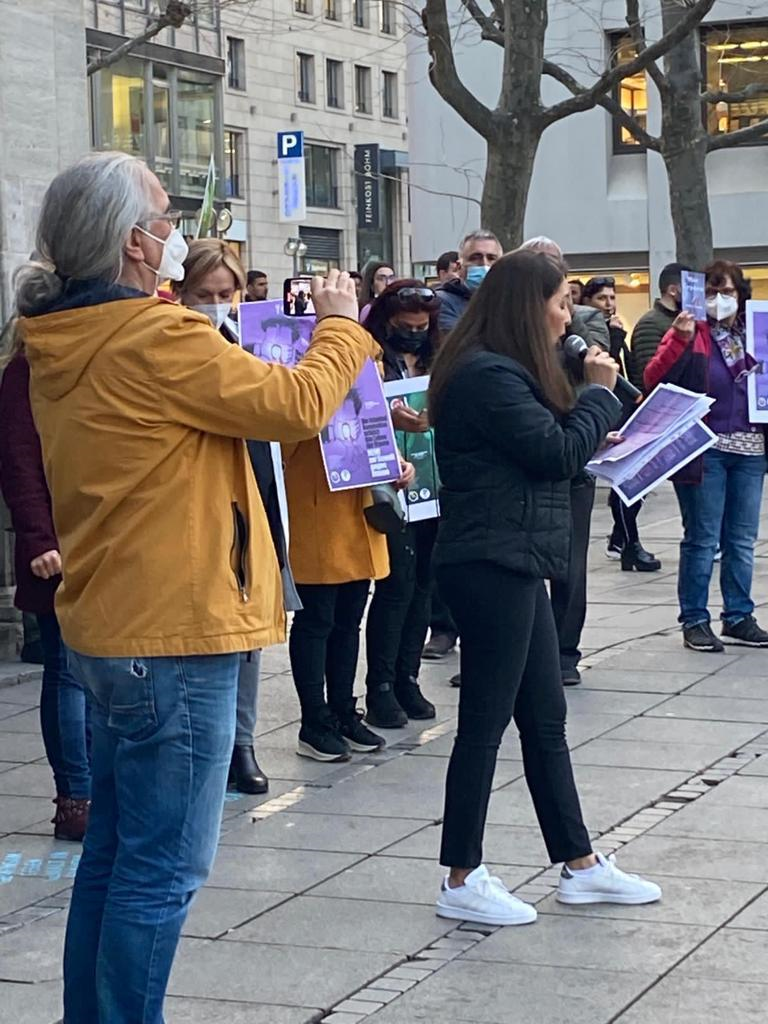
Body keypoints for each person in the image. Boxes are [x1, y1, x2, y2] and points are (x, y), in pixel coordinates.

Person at [13, 150, 377, 1024]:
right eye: (168, 218)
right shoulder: (153, 336)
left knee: (113, 855)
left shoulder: (63, 337)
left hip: (113, 624)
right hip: (174, 632)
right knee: (163, 868)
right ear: (134, 245)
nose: (178, 235)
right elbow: (292, 406)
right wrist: (340, 325)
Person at [427, 249, 661, 926]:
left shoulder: (509, 370)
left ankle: (580, 864)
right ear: (530, 307)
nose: (569, 317)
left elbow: (554, 441)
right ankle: (460, 876)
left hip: (518, 555)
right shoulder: (483, 375)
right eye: (561, 304)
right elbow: (556, 451)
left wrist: (592, 415)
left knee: (545, 719)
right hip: (490, 560)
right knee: (484, 723)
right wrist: (595, 393)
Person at [173, 237, 304, 795]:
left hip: (260, 494)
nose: (218, 303)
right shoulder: (181, 347)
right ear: (180, 292)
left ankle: (241, 743)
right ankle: (212, 743)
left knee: (251, 634)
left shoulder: (250, 342)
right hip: (207, 507)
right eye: (205, 293)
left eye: (226, 293)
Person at [645, 258, 768, 652]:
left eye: (727, 291)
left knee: (742, 538)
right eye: (712, 292)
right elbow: (653, 378)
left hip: (751, 451)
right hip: (705, 450)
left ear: (741, 294)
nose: (719, 299)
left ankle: (738, 616)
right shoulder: (691, 331)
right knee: (702, 538)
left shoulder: (756, 335)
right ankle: (695, 620)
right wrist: (678, 340)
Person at [283, 414, 414, 761]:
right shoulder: (303, 365)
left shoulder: (366, 365)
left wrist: (394, 462)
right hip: (317, 505)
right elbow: (284, 428)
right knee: (316, 619)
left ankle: (342, 711)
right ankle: (314, 721)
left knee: (348, 619)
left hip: (360, 509)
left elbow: (374, 419)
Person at [0, 352, 92, 840]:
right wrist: (38, 537)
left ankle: (97, 788)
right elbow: (18, 455)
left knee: (97, 669)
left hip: (108, 535)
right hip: (59, 539)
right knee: (68, 667)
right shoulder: (30, 364)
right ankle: (77, 795)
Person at [362, 281, 440, 728]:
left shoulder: (436, 358)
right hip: (388, 484)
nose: (413, 333)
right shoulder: (372, 358)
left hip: (433, 480)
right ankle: (382, 686)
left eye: (421, 326)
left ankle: (408, 677)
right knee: (396, 586)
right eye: (404, 326)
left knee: (424, 586)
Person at [582, 276, 660, 573]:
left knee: (634, 488)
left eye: (613, 298)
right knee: (624, 487)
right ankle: (629, 543)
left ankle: (620, 538)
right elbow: (606, 371)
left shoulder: (619, 331)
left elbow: (630, 374)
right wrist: (613, 340)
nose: (610, 305)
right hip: (607, 419)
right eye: (602, 299)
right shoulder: (593, 335)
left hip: (629, 418)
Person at [628, 262, 692, 392]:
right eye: (689, 288)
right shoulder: (650, 324)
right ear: (673, 290)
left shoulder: (683, 321)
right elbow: (650, 375)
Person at [438, 229, 502, 333]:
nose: (484, 264)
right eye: (475, 258)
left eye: (491, 258)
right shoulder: (442, 301)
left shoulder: (510, 300)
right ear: (459, 267)